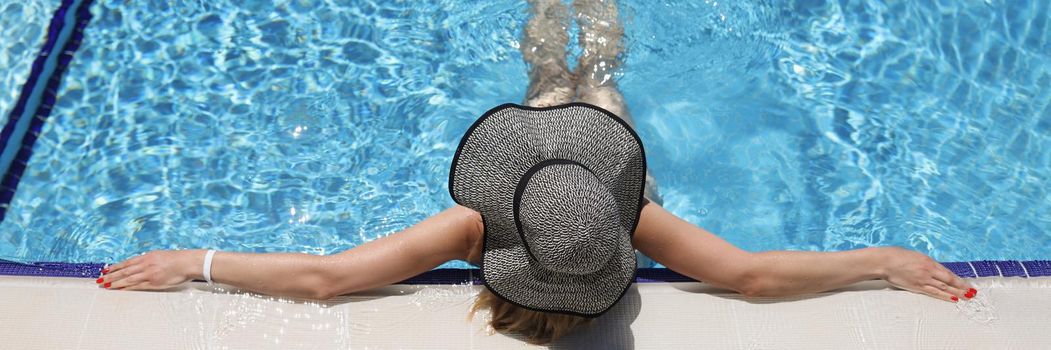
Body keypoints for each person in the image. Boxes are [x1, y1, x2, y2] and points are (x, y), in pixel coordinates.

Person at [97, 0, 977, 345]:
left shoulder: (472, 228)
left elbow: (328, 279)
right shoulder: (624, 216)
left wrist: (194, 261)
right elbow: (748, 275)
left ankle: (554, 8)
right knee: (595, 80)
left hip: (583, 154)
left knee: (556, 84)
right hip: (602, 155)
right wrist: (877, 258)